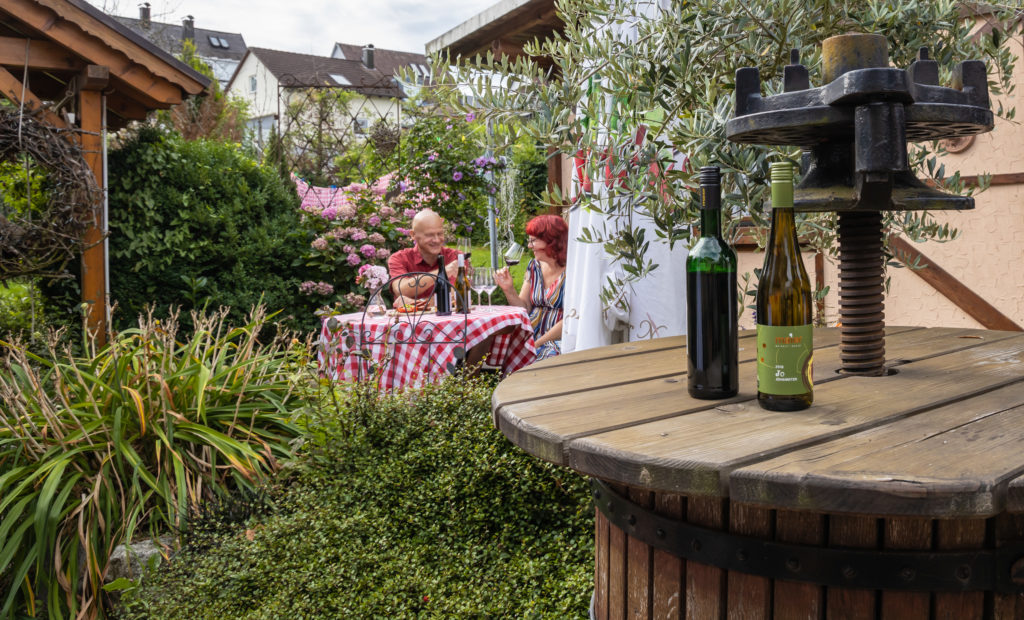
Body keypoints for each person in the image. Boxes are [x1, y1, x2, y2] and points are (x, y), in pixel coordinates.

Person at [495, 214, 567, 360]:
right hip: (531, 332)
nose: (529, 246)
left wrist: (536, 344)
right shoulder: (534, 266)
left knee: (545, 357)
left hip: (558, 337)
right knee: (496, 343)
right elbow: (524, 307)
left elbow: (570, 319)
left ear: (551, 241)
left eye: (533, 241)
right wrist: (508, 289)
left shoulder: (573, 269)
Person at [387, 209, 460, 309]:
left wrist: (415, 303)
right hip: (409, 324)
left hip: (448, 322)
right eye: (429, 235)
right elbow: (401, 289)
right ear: (413, 235)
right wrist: (443, 272)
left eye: (440, 234)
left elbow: (454, 295)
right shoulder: (399, 258)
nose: (437, 240)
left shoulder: (455, 256)